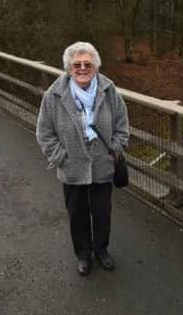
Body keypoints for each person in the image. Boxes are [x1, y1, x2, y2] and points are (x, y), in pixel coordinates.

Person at [36, 42, 129, 276]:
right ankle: (83, 254)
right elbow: (44, 132)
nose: (82, 68)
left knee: (101, 212)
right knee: (77, 214)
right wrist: (60, 157)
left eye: (88, 64)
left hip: (102, 164)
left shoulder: (108, 90)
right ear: (68, 68)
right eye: (77, 64)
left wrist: (115, 149)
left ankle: (101, 250)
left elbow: (122, 122)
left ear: (95, 66)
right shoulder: (54, 95)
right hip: (72, 167)